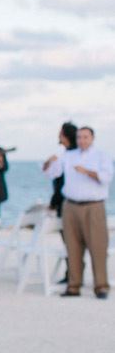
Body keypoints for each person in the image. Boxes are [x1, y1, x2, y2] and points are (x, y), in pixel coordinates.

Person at [43, 126, 112, 299]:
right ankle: (73, 286)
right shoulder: (69, 155)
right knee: (72, 247)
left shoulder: (101, 156)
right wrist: (48, 162)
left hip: (93, 206)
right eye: (79, 137)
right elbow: (52, 173)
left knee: (97, 247)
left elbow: (106, 178)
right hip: (71, 206)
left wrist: (86, 171)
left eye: (85, 137)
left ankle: (101, 286)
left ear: (92, 138)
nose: (82, 140)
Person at [47, 122, 78, 283]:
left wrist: (53, 203)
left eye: (60, 133)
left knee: (70, 242)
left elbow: (61, 185)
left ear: (66, 135)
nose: (58, 135)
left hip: (67, 205)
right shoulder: (68, 155)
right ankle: (73, 275)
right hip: (67, 203)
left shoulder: (68, 157)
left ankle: (72, 276)